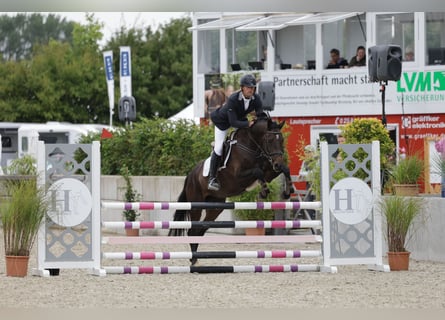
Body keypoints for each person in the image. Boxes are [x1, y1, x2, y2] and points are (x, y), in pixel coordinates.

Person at [208, 74, 264, 191]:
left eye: (253, 87)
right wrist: (247, 124)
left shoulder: (256, 98)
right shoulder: (233, 98)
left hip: (240, 119)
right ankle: (212, 178)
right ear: (242, 88)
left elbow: (260, 114)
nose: (251, 90)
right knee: (218, 148)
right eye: (248, 87)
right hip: (223, 123)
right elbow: (233, 122)